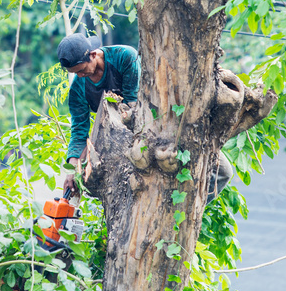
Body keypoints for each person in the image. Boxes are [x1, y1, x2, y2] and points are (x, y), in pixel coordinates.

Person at [56, 33, 233, 201]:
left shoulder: (124, 57)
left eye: (82, 70)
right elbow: (79, 132)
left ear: (93, 54)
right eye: (75, 72)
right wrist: (71, 171)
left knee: (223, 172)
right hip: (117, 144)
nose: (80, 75)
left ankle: (187, 210)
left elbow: (134, 105)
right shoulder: (78, 89)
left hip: (161, 122)